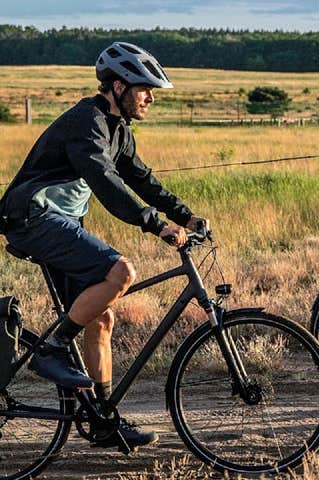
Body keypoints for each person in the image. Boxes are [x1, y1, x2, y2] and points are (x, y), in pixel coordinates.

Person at [0, 42, 207, 451]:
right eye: (144, 89)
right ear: (117, 86)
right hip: (31, 218)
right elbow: (107, 183)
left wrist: (184, 216)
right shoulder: (86, 122)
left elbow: (140, 178)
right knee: (121, 272)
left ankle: (103, 421)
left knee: (101, 320)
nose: (150, 98)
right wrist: (156, 225)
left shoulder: (118, 129)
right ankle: (54, 347)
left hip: (60, 222)